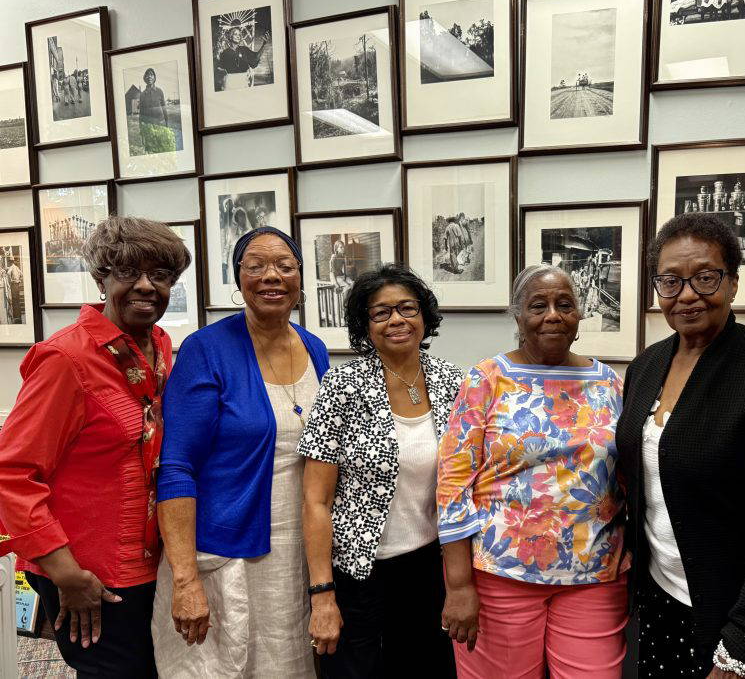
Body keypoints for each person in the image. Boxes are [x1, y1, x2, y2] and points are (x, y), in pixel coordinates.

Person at [615, 213, 745, 678]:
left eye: (705, 278)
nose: (687, 294)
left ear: (732, 284)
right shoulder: (647, 367)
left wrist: (741, 649)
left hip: (736, 617)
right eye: (671, 281)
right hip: (661, 596)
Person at [0, 217, 191, 677]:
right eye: (129, 272)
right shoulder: (65, 359)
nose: (146, 286)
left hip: (152, 566)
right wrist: (66, 573)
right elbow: (11, 474)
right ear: (102, 278)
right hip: (88, 575)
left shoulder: (161, 349)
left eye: (160, 276)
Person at [152, 227, 329, 677]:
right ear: (238, 279)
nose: (272, 276)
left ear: (300, 278)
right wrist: (186, 579)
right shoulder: (205, 351)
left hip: (296, 556)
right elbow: (176, 467)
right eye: (256, 266)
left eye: (284, 266)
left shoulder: (315, 349)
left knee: (291, 665)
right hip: (226, 556)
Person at [437, 265, 629, 679]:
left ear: (580, 316)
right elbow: (453, 486)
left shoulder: (609, 383)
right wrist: (458, 585)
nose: (553, 315)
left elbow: (628, 475)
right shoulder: (486, 379)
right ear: (518, 317)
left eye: (565, 304)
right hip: (499, 577)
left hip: (594, 577)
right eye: (538, 305)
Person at [299, 263, 463, 678]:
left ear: (425, 315)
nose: (396, 320)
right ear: (365, 325)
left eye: (407, 308)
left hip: (431, 567)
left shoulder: (453, 381)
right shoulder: (342, 385)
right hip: (359, 571)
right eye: (381, 312)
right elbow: (315, 501)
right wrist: (322, 596)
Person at [216, 23, 270, 90]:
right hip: (230, 82)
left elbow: (255, 58)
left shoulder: (244, 49)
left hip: (243, 81)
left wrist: (264, 45)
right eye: (235, 34)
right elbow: (220, 68)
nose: (238, 36)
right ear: (230, 36)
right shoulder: (225, 53)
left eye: (239, 34)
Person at [138, 68, 175, 155]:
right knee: (151, 152)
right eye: (147, 75)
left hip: (160, 124)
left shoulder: (159, 91)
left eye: (151, 74)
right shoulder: (142, 95)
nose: (149, 77)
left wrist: (167, 125)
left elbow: (164, 108)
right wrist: (142, 131)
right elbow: (141, 114)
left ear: (154, 78)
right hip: (148, 127)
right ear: (145, 79)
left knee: (162, 149)